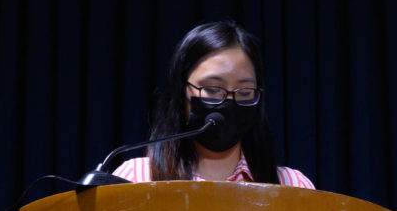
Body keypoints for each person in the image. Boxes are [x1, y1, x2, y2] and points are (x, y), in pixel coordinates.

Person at [113, 20, 314, 187]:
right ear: (181, 91)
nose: (229, 102)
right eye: (212, 89)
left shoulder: (292, 185)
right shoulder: (136, 179)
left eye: (244, 92)